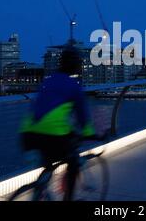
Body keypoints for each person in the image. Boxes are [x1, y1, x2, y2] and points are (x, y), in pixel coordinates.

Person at [19, 46, 96, 201]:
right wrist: (90, 134)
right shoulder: (74, 86)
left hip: (27, 133)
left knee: (48, 164)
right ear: (76, 66)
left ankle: (40, 189)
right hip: (53, 135)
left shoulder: (49, 80)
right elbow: (82, 117)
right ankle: (68, 198)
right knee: (72, 161)